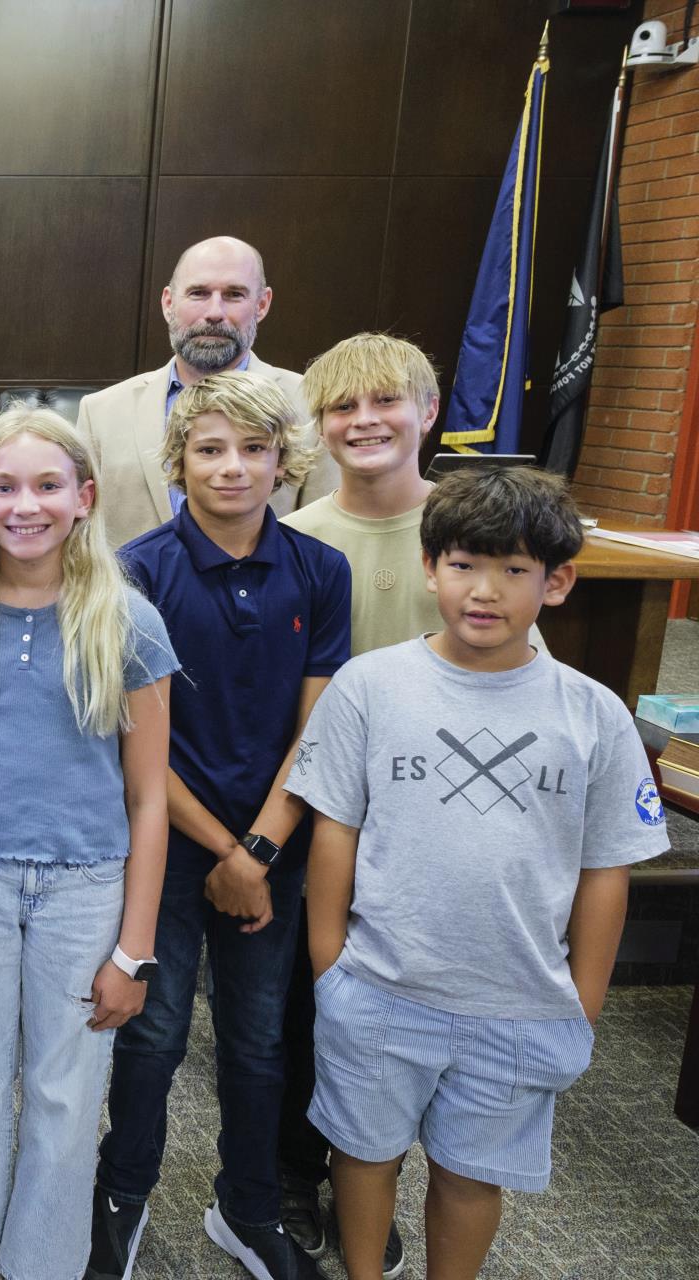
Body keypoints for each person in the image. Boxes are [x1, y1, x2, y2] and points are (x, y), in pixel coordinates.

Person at [287, 466, 667, 1280]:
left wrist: (581, 1006)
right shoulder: (369, 687)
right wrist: (329, 967)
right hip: (381, 986)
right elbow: (335, 832)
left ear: (556, 581)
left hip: (520, 1002)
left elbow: (607, 869)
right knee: (363, 1153)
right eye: (463, 564)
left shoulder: (593, 714)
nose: (484, 590)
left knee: (471, 1176)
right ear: (430, 568)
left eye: (514, 569)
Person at [0, 405, 176, 1280]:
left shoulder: (129, 621)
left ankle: (42, 1266)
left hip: (85, 888)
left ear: (85, 497)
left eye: (48, 485)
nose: (26, 506)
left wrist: (134, 951)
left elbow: (149, 798)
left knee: (67, 1096)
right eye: (5, 487)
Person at [90, 371, 349, 1280]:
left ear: (285, 461)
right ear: (179, 461)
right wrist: (225, 851)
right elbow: (133, 744)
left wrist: (260, 851)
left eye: (254, 449)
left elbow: (319, 731)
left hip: (275, 850)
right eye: (210, 449)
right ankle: (120, 1197)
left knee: (257, 1040)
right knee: (152, 1037)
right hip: (166, 846)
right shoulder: (137, 571)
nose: (232, 467)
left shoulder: (320, 570)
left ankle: (248, 1207)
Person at [275, 331, 446, 1273]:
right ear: (320, 426)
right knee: (309, 1009)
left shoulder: (468, 533)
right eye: (343, 406)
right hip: (318, 819)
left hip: (429, 826)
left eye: (386, 402)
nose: (365, 421)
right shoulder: (295, 539)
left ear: (429, 412)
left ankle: (371, 1178)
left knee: (403, 1017)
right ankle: (297, 1173)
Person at [77, 235, 339, 550]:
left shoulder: (311, 404)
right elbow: (81, 538)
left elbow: (323, 536)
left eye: (234, 294)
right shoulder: (100, 412)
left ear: (262, 305)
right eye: (198, 293)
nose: (214, 312)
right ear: (168, 303)